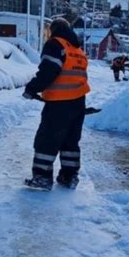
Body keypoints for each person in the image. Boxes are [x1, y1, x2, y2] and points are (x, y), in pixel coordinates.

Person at [22, 18, 90, 191]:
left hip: (59, 103)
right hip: (78, 102)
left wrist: (32, 88)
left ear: (53, 30)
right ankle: (69, 176)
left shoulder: (55, 44)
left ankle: (42, 178)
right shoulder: (77, 49)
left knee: (47, 139)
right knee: (70, 141)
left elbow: (49, 70)